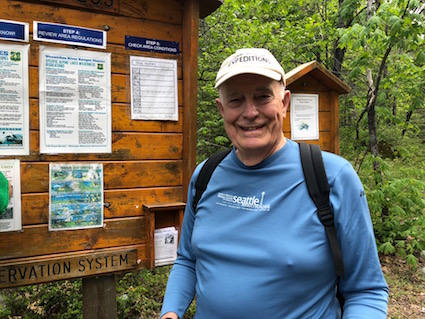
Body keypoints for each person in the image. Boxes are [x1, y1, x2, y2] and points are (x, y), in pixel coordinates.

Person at [159, 48, 389, 319]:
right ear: (222, 109)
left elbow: (366, 290)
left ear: (284, 102)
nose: (250, 112)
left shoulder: (332, 177)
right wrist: (170, 313)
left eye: (262, 96)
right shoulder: (205, 175)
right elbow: (188, 260)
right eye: (235, 100)